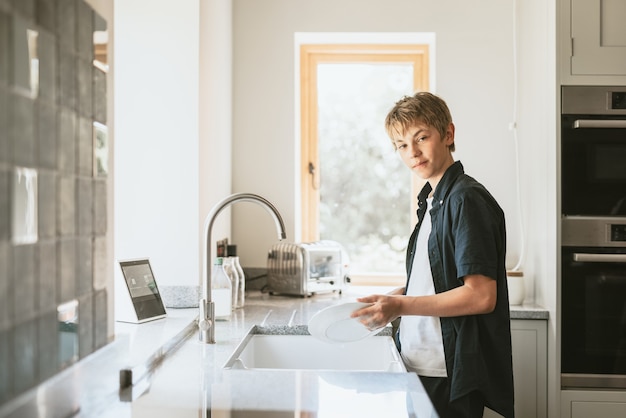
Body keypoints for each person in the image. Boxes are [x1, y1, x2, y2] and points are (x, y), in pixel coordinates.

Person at [351, 92, 514, 417]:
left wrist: (400, 306)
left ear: (448, 134)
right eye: (401, 145)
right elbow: (434, 283)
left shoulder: (465, 200)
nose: (412, 152)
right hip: (423, 363)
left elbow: (481, 296)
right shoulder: (434, 201)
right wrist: (392, 298)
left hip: (446, 369)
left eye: (421, 137)